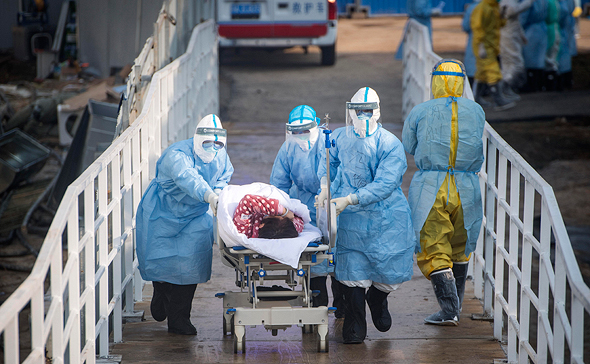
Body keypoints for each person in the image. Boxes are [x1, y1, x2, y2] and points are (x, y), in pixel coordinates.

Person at [316, 87, 415, 344]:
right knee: (351, 268)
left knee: (387, 269)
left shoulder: (390, 144)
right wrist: (326, 186)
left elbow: (386, 182)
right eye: (358, 111)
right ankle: (355, 319)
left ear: (378, 111)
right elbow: (329, 161)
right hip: (349, 218)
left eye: (368, 111)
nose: (363, 117)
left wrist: (350, 198)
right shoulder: (338, 137)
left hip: (385, 218)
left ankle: (378, 299)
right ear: (350, 112)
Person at [402, 59, 485, 326]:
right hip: (467, 186)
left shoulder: (420, 110)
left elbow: (409, 144)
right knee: (461, 245)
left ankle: (449, 310)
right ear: (462, 81)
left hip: (432, 186)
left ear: (434, 81)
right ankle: (456, 305)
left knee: (434, 244)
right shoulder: (477, 110)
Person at [136, 114, 234, 335]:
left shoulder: (220, 156)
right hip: (164, 212)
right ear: (197, 138)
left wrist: (217, 192)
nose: (212, 148)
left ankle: (179, 319)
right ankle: (161, 289)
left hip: (196, 216)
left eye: (218, 144)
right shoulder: (177, 155)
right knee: (161, 259)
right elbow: (188, 177)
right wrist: (209, 195)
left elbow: (223, 176)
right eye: (207, 143)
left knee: (191, 265)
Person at [270, 105, 345, 315]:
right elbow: (279, 184)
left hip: (333, 201)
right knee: (312, 257)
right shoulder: (288, 148)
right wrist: (282, 211)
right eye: (296, 132)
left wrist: (330, 192)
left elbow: (341, 170)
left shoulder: (329, 142)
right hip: (304, 206)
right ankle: (316, 309)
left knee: (337, 253)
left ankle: (343, 306)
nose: (301, 136)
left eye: (306, 130)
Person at [471, 0, 516, 110]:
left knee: (482, 73)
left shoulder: (494, 7)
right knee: (493, 71)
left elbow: (499, 25)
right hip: (484, 46)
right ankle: (498, 101)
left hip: (491, 46)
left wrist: (502, 16)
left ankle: (475, 99)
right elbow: (477, 27)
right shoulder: (482, 8)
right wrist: (481, 45)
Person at [499, 0, 537, 93]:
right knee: (516, 63)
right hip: (508, 37)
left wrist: (522, 35)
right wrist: (528, 2)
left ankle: (505, 87)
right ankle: (507, 85)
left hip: (510, 36)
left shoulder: (508, 3)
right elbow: (512, 11)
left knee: (508, 63)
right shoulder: (507, 4)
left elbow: (516, 22)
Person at [232, 193, 304, 239]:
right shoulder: (290, 230)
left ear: (261, 225)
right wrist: (287, 214)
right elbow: (297, 219)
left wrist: (283, 211)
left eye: (278, 215)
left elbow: (247, 201)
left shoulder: (245, 231)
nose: (280, 215)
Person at [520, 0, 548, 92]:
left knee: (530, 60)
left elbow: (523, 17)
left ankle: (531, 86)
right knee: (539, 60)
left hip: (531, 31)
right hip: (543, 29)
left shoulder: (529, 2)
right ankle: (540, 84)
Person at [556, 0, 577, 89]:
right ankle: (567, 81)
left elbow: (563, 10)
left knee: (561, 57)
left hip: (561, 27)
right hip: (565, 27)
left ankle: (563, 82)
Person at [462, 0, 481, 88]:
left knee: (472, 65)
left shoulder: (471, 8)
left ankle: (473, 90)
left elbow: (465, 26)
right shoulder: (491, 7)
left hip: (474, 39)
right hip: (490, 40)